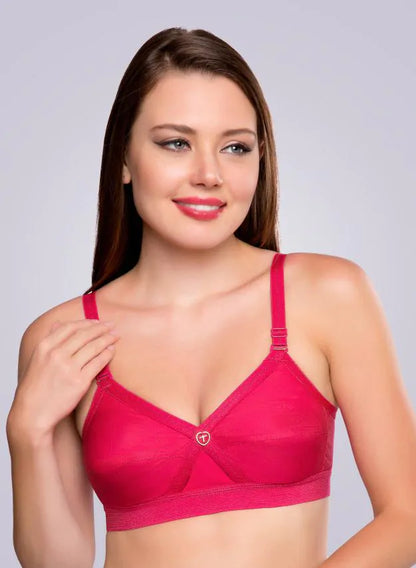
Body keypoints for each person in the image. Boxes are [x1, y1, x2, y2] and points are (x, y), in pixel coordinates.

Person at [6, 26, 416, 568]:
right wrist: (26, 433)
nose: (208, 174)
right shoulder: (61, 338)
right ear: (124, 158)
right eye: (176, 143)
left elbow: (407, 516)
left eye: (235, 147)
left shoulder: (327, 295)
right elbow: (60, 564)